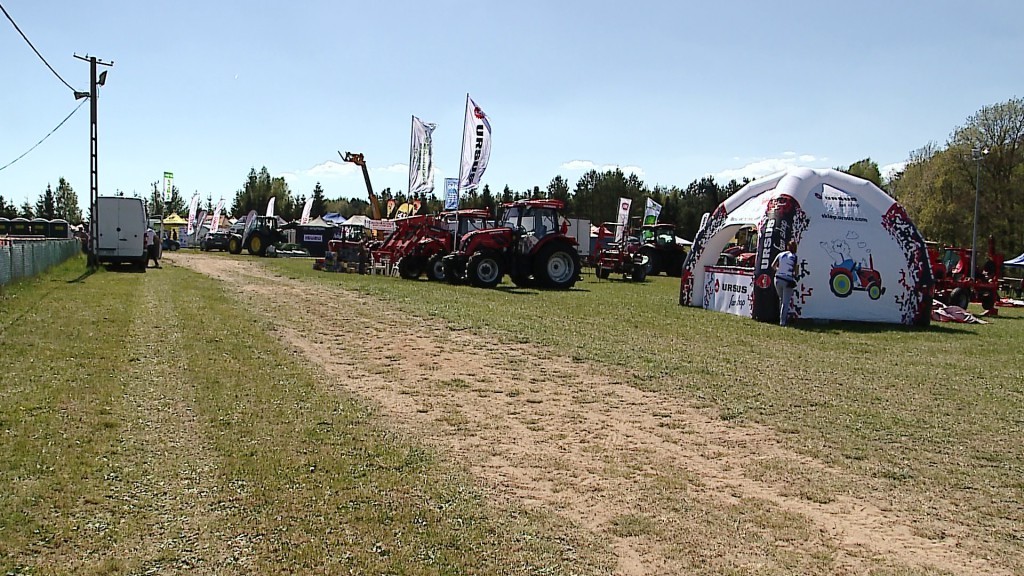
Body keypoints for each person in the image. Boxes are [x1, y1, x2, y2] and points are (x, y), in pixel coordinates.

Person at [771, 240, 799, 326]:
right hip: (787, 280)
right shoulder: (795, 257)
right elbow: (796, 272)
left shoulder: (780, 254)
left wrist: (779, 270)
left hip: (777, 279)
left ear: (787, 247)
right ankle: (782, 321)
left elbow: (773, 266)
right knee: (785, 302)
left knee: (781, 299)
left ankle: (779, 317)